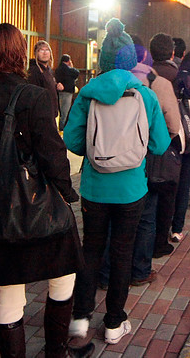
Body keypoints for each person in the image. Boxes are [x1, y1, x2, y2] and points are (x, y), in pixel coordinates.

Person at [0, 23, 92, 358]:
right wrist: (67, 193)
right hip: (40, 203)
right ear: (18, 53)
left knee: (9, 296)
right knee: (62, 279)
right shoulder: (34, 97)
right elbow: (53, 155)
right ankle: (57, 353)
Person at [64, 18, 170, 345]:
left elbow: (71, 139)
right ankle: (113, 324)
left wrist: (97, 151)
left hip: (95, 188)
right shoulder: (145, 95)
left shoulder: (87, 93)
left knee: (91, 251)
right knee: (123, 254)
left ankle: (80, 322)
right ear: (130, 60)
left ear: (102, 61)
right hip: (131, 190)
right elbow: (160, 145)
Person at [130, 35, 182, 285]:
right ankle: (140, 270)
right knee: (146, 216)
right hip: (147, 160)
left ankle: (106, 273)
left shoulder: (100, 83)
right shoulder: (156, 84)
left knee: (111, 221)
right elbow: (173, 125)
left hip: (107, 165)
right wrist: (155, 145)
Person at [150, 33, 190, 243]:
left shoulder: (147, 77)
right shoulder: (182, 76)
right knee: (182, 183)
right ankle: (176, 228)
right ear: (172, 53)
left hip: (156, 137)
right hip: (181, 138)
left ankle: (154, 229)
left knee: (155, 182)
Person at [28, 40, 61, 119]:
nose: (45, 53)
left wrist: (56, 86)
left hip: (52, 113)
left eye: (47, 50)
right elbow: (33, 95)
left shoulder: (49, 70)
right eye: (41, 50)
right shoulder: (34, 71)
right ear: (36, 53)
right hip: (42, 115)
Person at [54, 54, 79, 131]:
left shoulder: (58, 69)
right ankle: (62, 127)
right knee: (65, 111)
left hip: (59, 92)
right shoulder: (68, 70)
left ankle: (60, 126)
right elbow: (76, 73)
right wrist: (71, 66)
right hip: (67, 92)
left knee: (60, 110)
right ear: (68, 61)